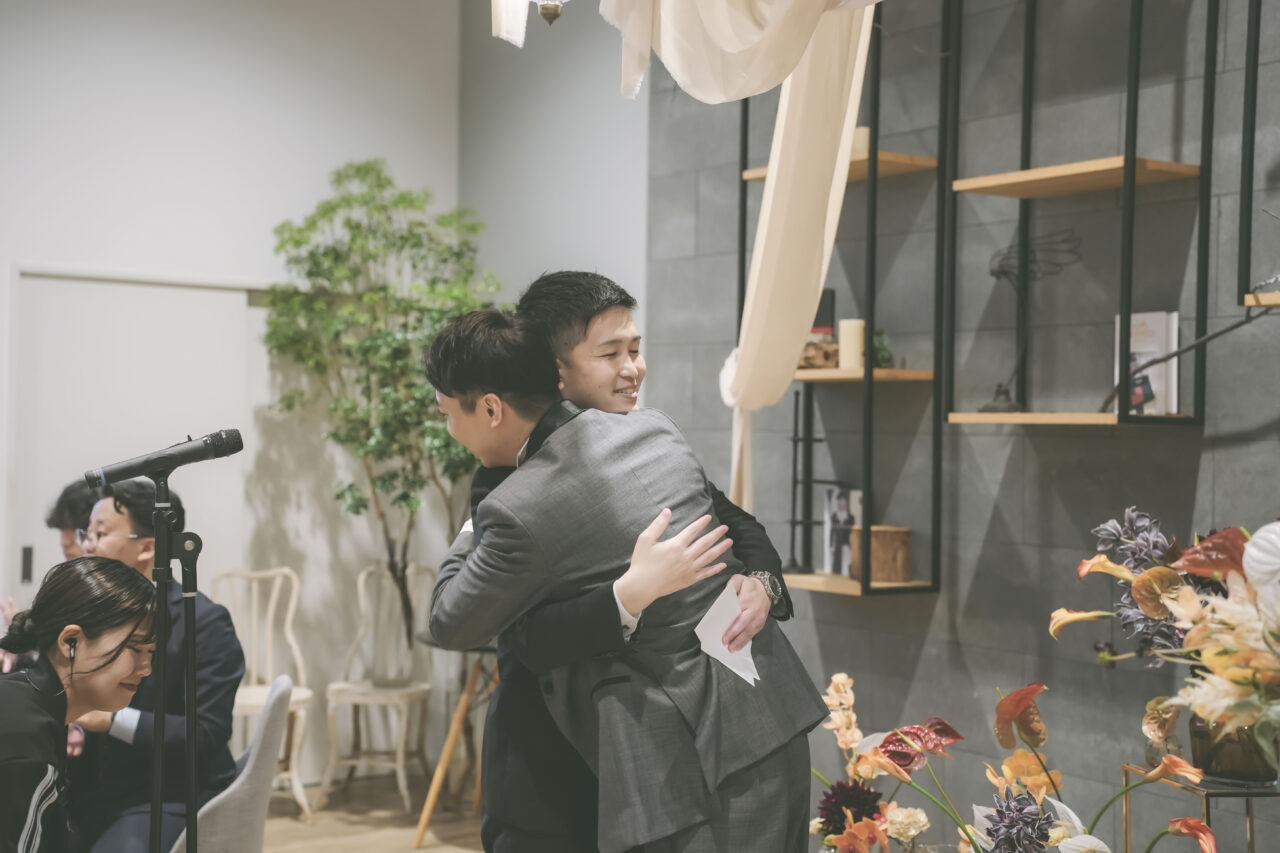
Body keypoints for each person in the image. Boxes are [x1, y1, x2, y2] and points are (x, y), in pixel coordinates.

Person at [426, 309, 827, 853]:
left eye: (448, 414)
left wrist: (479, 517)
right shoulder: (655, 428)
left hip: (675, 762)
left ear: (492, 408)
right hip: (767, 716)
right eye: (611, 353)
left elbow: (449, 621)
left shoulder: (516, 506)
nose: (630, 369)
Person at [70, 479, 245, 852]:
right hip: (90, 786)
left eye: (100, 534)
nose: (86, 545)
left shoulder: (203, 622)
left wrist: (109, 720)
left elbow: (206, 732)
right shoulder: (87, 613)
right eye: (86, 533)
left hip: (167, 793)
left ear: (147, 547)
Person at [0, 556, 157, 853]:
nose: (146, 668)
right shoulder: (25, 741)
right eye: (136, 649)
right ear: (70, 641)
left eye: (151, 652)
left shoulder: (31, 705)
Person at [2, 480, 100, 676]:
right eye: (62, 530)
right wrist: (21, 647)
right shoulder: (69, 585)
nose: (64, 541)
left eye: (76, 530)